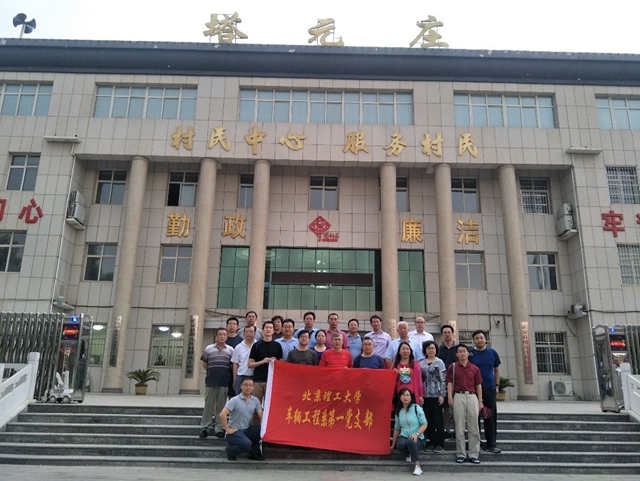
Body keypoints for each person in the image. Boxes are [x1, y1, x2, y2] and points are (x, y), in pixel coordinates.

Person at [447, 343, 483, 464]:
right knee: (459, 426)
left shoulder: (474, 368)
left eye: (464, 351)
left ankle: (474, 454)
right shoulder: (452, 367)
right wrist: (450, 397)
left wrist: (480, 401)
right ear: (456, 354)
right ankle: (461, 454)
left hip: (472, 397)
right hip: (458, 396)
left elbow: (478, 385)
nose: (462, 353)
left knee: (474, 427)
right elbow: (449, 383)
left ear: (468, 353)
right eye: (460, 351)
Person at [469, 329, 502, 454]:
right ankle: (477, 444)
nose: (479, 340)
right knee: (475, 418)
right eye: (477, 338)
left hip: (489, 388)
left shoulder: (492, 353)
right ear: (473, 340)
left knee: (490, 417)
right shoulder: (470, 354)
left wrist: (497, 385)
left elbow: (496, 370)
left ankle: (491, 444)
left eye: (481, 338)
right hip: (473, 389)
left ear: (485, 339)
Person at [199, 328, 234, 439]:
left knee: (221, 406)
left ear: (227, 337)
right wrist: (212, 371)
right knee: (208, 405)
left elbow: (232, 365)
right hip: (211, 381)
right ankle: (205, 427)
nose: (222, 336)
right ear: (216, 336)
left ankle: (219, 428)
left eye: (224, 334)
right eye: (220, 334)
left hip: (224, 381)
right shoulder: (209, 348)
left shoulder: (230, 350)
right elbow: (205, 364)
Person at [219, 377, 264, 461]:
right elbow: (222, 415)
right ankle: (230, 451)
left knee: (261, 430)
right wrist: (227, 430)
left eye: (250, 385)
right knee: (246, 444)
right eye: (246, 385)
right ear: (241, 386)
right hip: (235, 431)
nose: (248, 387)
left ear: (253, 387)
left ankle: (254, 453)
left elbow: (261, 415)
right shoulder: (234, 400)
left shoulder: (255, 400)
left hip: (246, 429)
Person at [389, 387, 427, 476]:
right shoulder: (399, 411)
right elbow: (397, 428)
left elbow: (424, 424)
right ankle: (409, 452)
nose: (405, 397)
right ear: (400, 397)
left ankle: (417, 467)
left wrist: (417, 434)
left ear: (411, 397)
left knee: (411, 441)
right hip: (404, 436)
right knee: (400, 444)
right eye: (403, 395)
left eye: (407, 395)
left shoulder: (416, 408)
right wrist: (393, 444)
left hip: (418, 439)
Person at [419, 340, 446, 453]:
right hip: (425, 396)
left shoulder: (440, 362)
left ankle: (440, 443)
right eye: (428, 348)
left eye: (433, 348)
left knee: (438, 419)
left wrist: (442, 395)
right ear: (425, 350)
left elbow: (443, 379)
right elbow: (419, 380)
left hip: (436, 395)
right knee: (428, 419)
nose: (431, 350)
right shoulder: (421, 363)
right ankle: (432, 442)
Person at [248, 321, 283, 403]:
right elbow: (249, 364)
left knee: (270, 404)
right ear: (262, 330)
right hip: (258, 380)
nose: (268, 329)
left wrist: (275, 362)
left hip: (272, 380)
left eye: (271, 328)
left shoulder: (277, 345)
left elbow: (282, 364)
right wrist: (262, 361)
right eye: (266, 328)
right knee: (256, 404)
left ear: (273, 331)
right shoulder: (256, 345)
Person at [392, 341, 424, 405]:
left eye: (407, 349)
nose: (405, 351)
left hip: (412, 394)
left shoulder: (415, 364)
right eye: (403, 349)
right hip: (399, 394)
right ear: (399, 351)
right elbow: (390, 380)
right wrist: (393, 373)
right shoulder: (395, 364)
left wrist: (421, 395)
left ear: (410, 351)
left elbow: (419, 380)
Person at [231, 325, 256, 394]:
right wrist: (235, 379)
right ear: (243, 334)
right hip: (241, 376)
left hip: (254, 377)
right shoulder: (238, 347)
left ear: (255, 334)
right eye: (247, 332)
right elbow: (235, 364)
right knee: (239, 398)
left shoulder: (258, 346)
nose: (249, 334)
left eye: (251, 332)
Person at [225, 317, 243, 398]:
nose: (232, 326)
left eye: (234, 324)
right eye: (230, 324)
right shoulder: (223, 339)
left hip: (236, 371)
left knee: (234, 395)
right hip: (224, 371)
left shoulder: (241, 341)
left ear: (237, 327)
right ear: (226, 326)